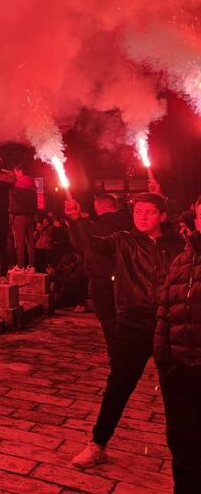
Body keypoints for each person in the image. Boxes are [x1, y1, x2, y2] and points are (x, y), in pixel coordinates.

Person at [66, 192, 183, 469]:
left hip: (169, 324)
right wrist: (76, 221)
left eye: (150, 212)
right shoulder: (123, 241)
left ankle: (185, 455)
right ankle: (97, 444)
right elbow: (88, 245)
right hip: (133, 323)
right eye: (138, 211)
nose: (142, 217)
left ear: (162, 216)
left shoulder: (178, 244)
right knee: (119, 385)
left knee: (178, 392)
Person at [138, 196, 201, 494]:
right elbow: (164, 310)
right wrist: (164, 361)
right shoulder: (183, 259)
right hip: (180, 373)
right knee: (184, 449)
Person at [80, 194, 133, 353]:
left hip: (102, 278)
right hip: (125, 278)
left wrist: (78, 223)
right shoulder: (129, 222)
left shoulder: (100, 227)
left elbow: (84, 243)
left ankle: (117, 351)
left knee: (108, 318)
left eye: (96, 207)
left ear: (101, 206)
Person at [9, 163, 38, 272]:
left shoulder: (20, 182)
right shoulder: (31, 181)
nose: (15, 174)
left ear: (20, 171)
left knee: (19, 240)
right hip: (29, 214)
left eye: (16, 172)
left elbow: (11, 186)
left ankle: (20, 265)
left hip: (19, 214)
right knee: (30, 241)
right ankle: (31, 265)